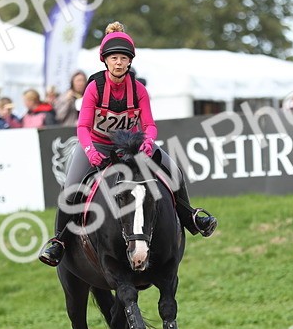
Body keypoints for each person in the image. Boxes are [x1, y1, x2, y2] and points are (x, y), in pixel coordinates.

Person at [39, 22, 217, 267]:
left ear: (130, 61)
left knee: (173, 170)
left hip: (131, 146)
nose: (119, 62)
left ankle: (191, 217)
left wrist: (147, 143)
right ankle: (59, 242)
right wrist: (90, 151)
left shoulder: (139, 89)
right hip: (97, 145)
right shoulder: (94, 88)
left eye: (124, 58)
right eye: (114, 58)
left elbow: (150, 125)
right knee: (71, 188)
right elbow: (82, 127)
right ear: (105, 61)